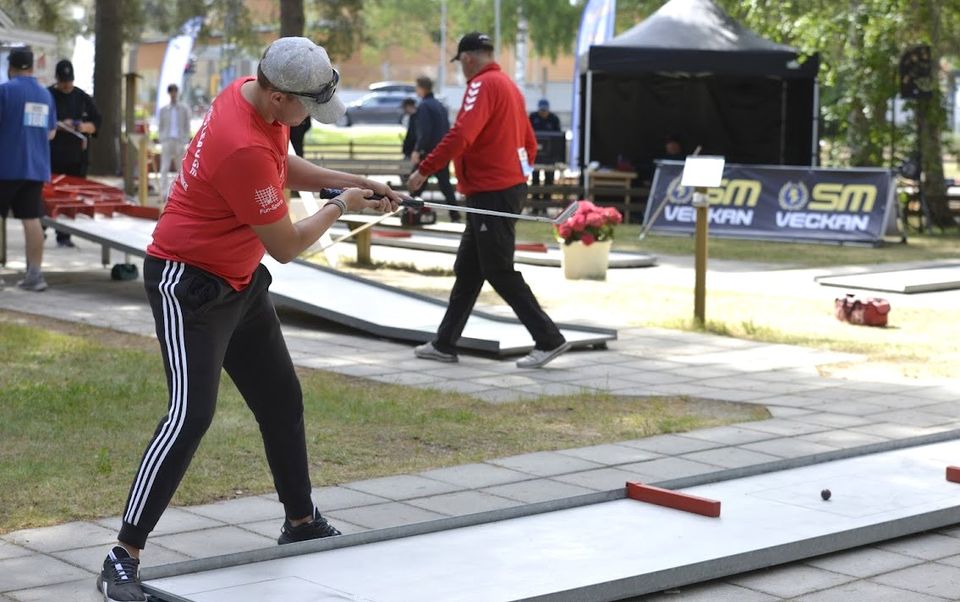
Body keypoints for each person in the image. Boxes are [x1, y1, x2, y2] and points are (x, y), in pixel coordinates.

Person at [95, 37, 401, 602]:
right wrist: (340, 206)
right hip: (188, 284)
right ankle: (123, 554)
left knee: (281, 400)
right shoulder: (240, 146)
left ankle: (301, 521)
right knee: (190, 416)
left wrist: (350, 182)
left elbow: (281, 163)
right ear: (281, 95)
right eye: (307, 107)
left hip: (239, 280)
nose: (308, 116)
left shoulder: (249, 95)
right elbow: (285, 243)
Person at [408, 32, 570, 370]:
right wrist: (518, 178)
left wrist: (425, 169)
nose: (461, 72)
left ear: (467, 58)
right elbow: (530, 143)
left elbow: (462, 135)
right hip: (502, 188)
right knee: (468, 270)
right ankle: (444, 343)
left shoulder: (482, 86)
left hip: (491, 191)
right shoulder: (510, 86)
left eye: (460, 65)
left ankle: (548, 338)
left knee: (497, 268)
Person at [0, 47, 57, 292]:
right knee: (31, 219)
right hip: (35, 167)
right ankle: (35, 275)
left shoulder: (5, 91)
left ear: (11, 67)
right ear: (32, 67)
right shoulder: (45, 96)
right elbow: (51, 132)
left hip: (6, 166)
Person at [47, 59, 100, 247]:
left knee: (70, 198)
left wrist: (79, 125)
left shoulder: (83, 98)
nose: (66, 85)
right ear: (57, 79)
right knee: (49, 195)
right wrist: (60, 125)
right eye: (63, 81)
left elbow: (95, 125)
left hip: (76, 159)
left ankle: (64, 236)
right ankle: (42, 228)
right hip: (52, 157)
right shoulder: (47, 95)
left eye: (69, 81)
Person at [407, 76, 460, 222]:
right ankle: (455, 215)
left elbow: (425, 131)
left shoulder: (424, 106)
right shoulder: (440, 105)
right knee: (445, 185)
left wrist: (417, 150)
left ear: (421, 88)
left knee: (416, 183)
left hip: (428, 152)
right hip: (441, 151)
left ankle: (409, 211)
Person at [156, 83, 191, 200]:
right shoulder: (164, 110)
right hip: (167, 140)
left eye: (175, 91)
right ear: (169, 93)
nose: (173, 94)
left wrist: (185, 139)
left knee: (180, 168)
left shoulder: (183, 109)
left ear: (177, 93)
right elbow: (160, 125)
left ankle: (179, 194)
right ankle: (163, 193)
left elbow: (187, 125)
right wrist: (162, 139)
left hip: (179, 141)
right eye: (171, 91)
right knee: (164, 167)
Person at [528, 98, 561, 208]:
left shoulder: (554, 119)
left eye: (545, 111)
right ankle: (535, 206)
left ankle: (546, 205)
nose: (543, 113)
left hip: (550, 156)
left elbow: (558, 138)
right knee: (535, 179)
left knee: (549, 179)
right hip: (536, 155)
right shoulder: (533, 117)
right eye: (541, 111)